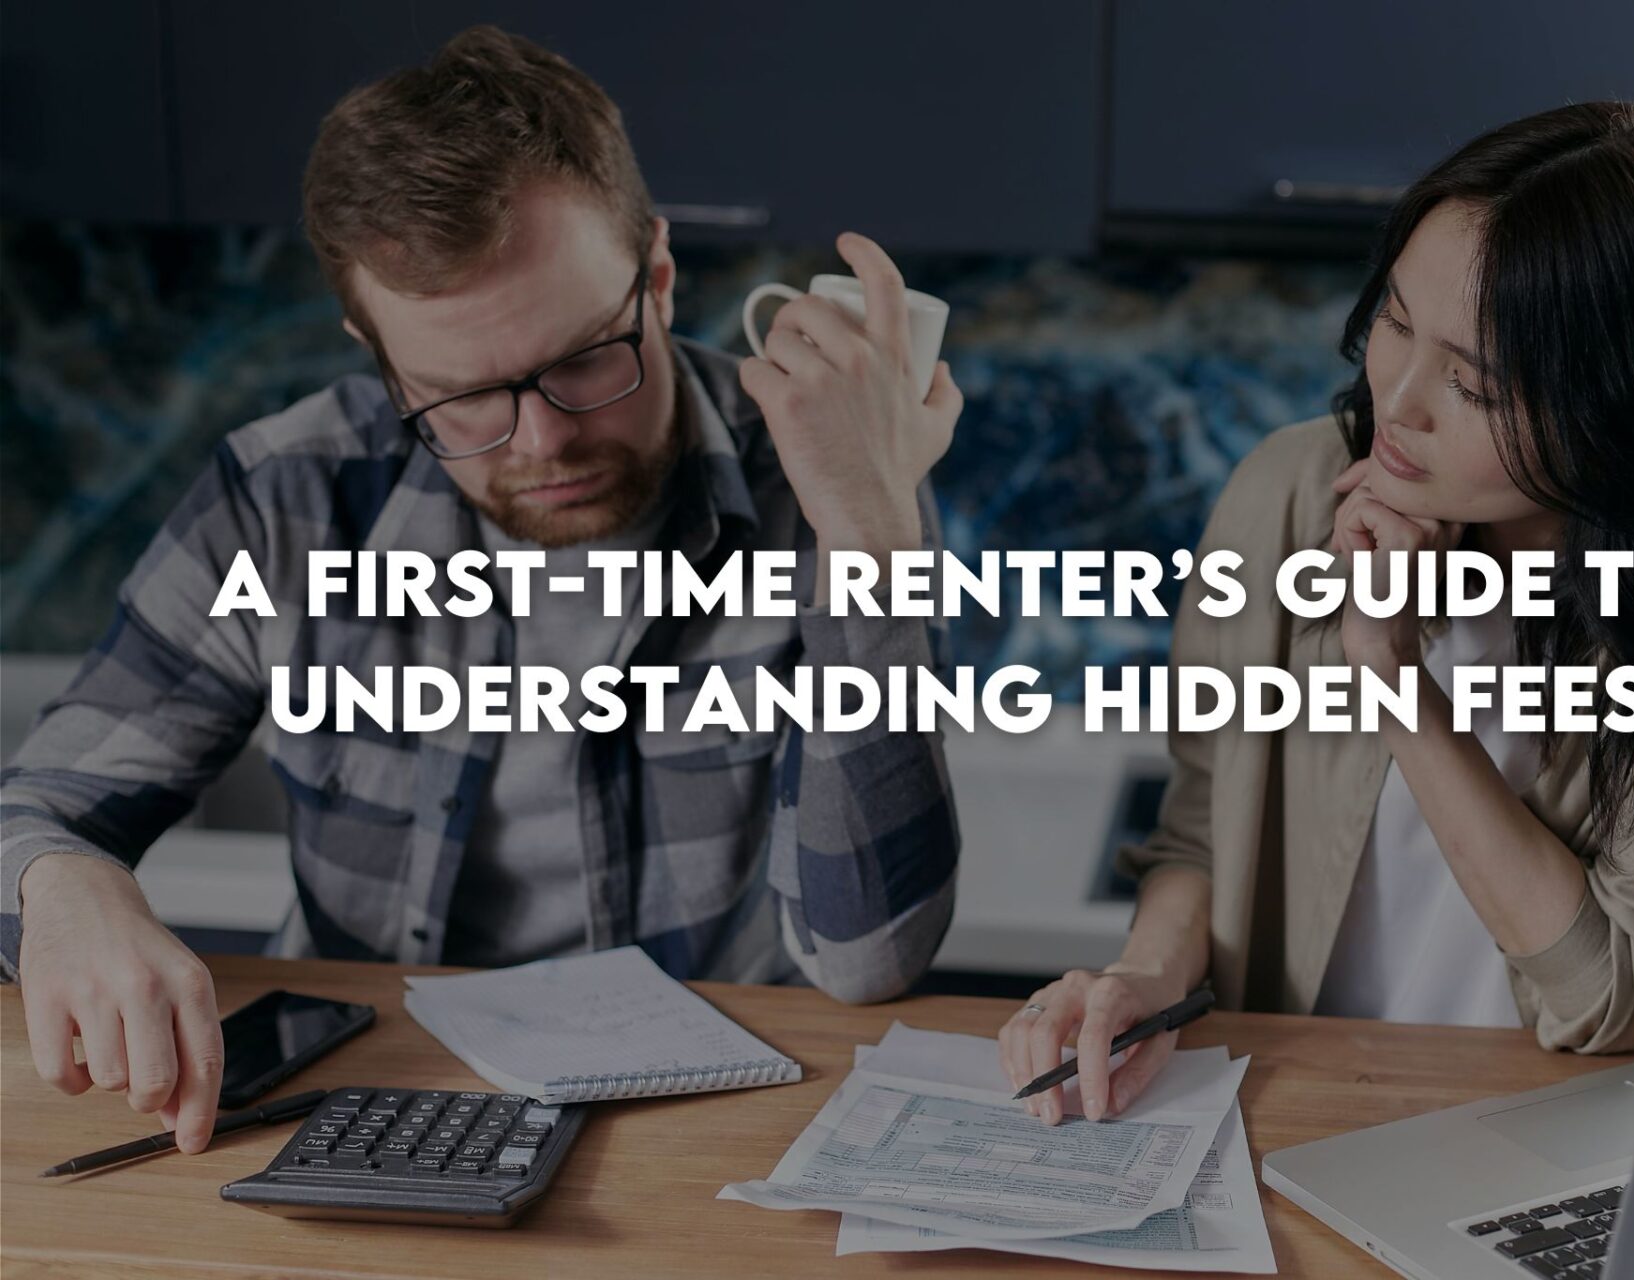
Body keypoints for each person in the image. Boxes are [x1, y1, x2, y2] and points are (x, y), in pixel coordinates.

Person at [1, 27, 963, 1153]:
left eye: (586, 358)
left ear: (655, 275)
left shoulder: (831, 477)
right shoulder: (286, 496)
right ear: (375, 350)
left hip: (704, 1121)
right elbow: (37, 807)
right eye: (459, 397)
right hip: (364, 1108)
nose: (545, 439)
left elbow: (871, 957)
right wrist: (68, 884)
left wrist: (870, 542)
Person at [1001, 98, 1634, 1125]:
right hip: (1293, 1119)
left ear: (1618, 404)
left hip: (1560, 1144)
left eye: (1475, 383)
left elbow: (1624, 995)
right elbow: (1202, 829)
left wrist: (1393, 672)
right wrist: (1143, 977)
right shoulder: (1289, 491)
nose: (1398, 401)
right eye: (1395, 321)